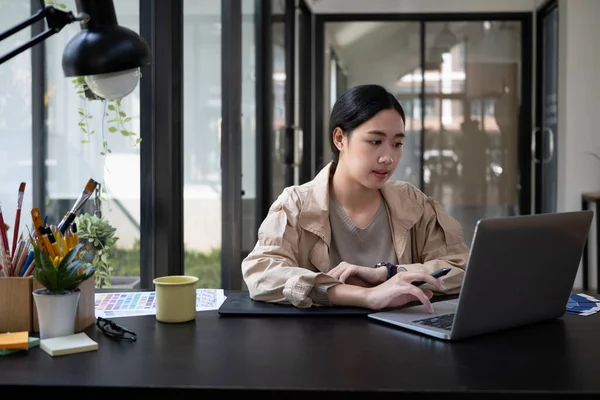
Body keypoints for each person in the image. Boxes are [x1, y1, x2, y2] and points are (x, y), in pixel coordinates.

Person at [242, 84, 469, 313]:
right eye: (375, 141)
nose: (388, 158)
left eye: (397, 144)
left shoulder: (414, 203)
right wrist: (365, 296)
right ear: (340, 138)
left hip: (402, 340)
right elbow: (262, 273)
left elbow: (461, 267)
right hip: (318, 342)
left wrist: (389, 273)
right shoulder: (296, 205)